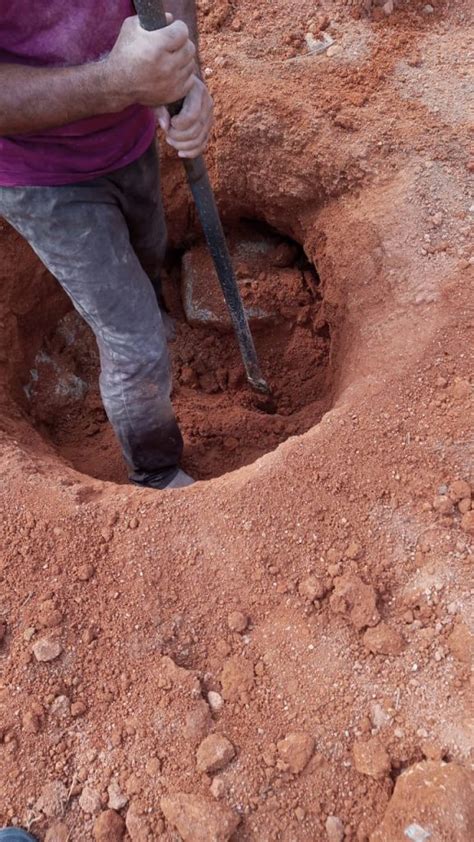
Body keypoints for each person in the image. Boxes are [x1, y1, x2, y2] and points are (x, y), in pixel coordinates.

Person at [0, 1, 214, 490]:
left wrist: (186, 73)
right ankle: (156, 471)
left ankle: (147, 319)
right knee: (134, 346)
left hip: (131, 136)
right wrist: (117, 81)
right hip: (41, 178)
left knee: (150, 249)